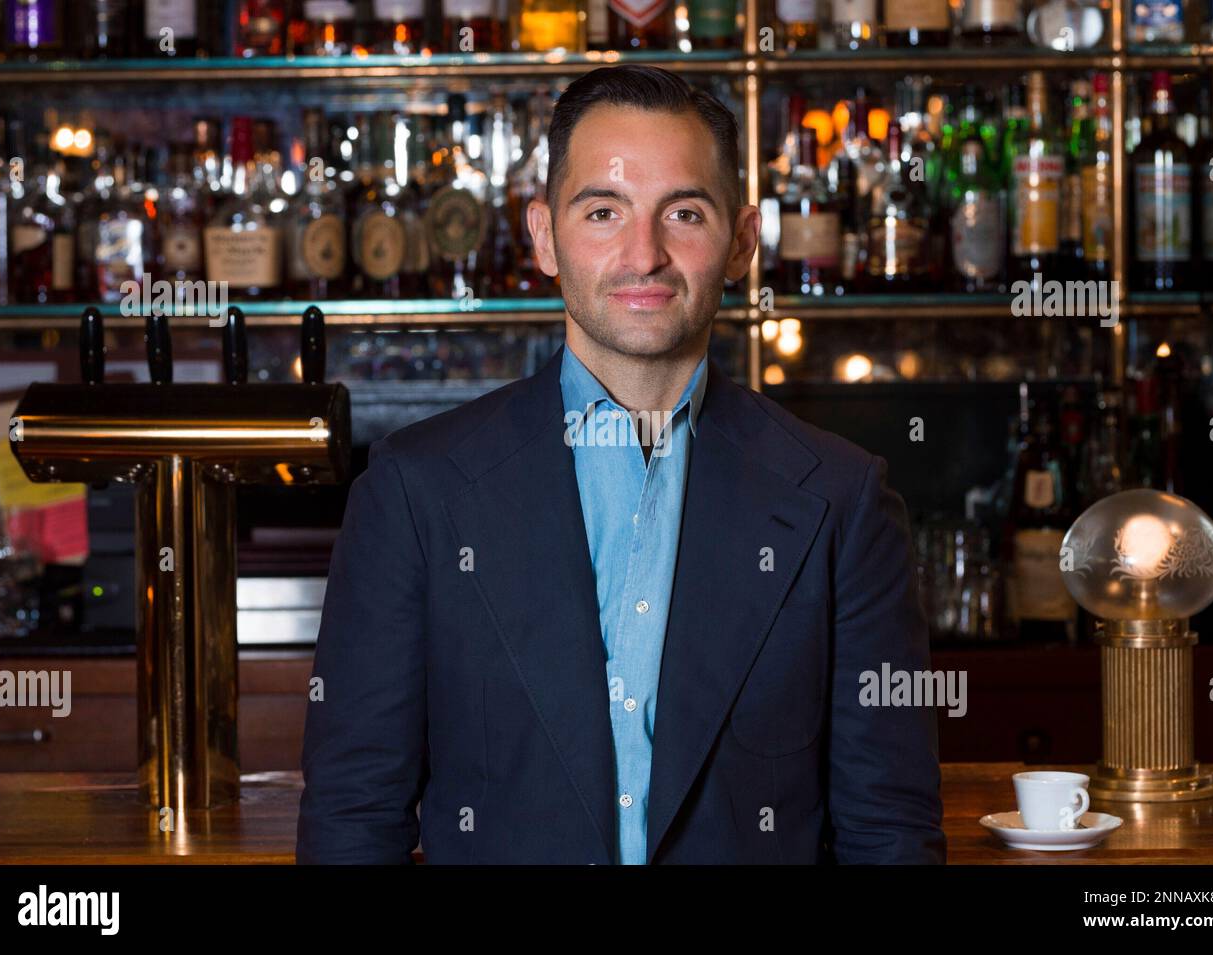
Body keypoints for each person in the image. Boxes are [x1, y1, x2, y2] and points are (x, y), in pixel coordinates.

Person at [296, 64, 946, 864]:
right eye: (604, 210)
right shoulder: (415, 491)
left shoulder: (844, 501)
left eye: (684, 212)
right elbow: (354, 820)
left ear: (742, 243)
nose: (645, 255)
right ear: (543, 237)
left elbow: (889, 835)